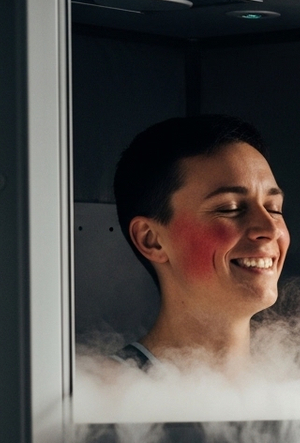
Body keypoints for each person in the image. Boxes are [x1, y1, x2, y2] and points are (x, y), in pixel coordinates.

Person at [112, 114, 289, 373]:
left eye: (274, 208)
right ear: (151, 240)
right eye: (230, 208)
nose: (270, 229)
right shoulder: (106, 397)